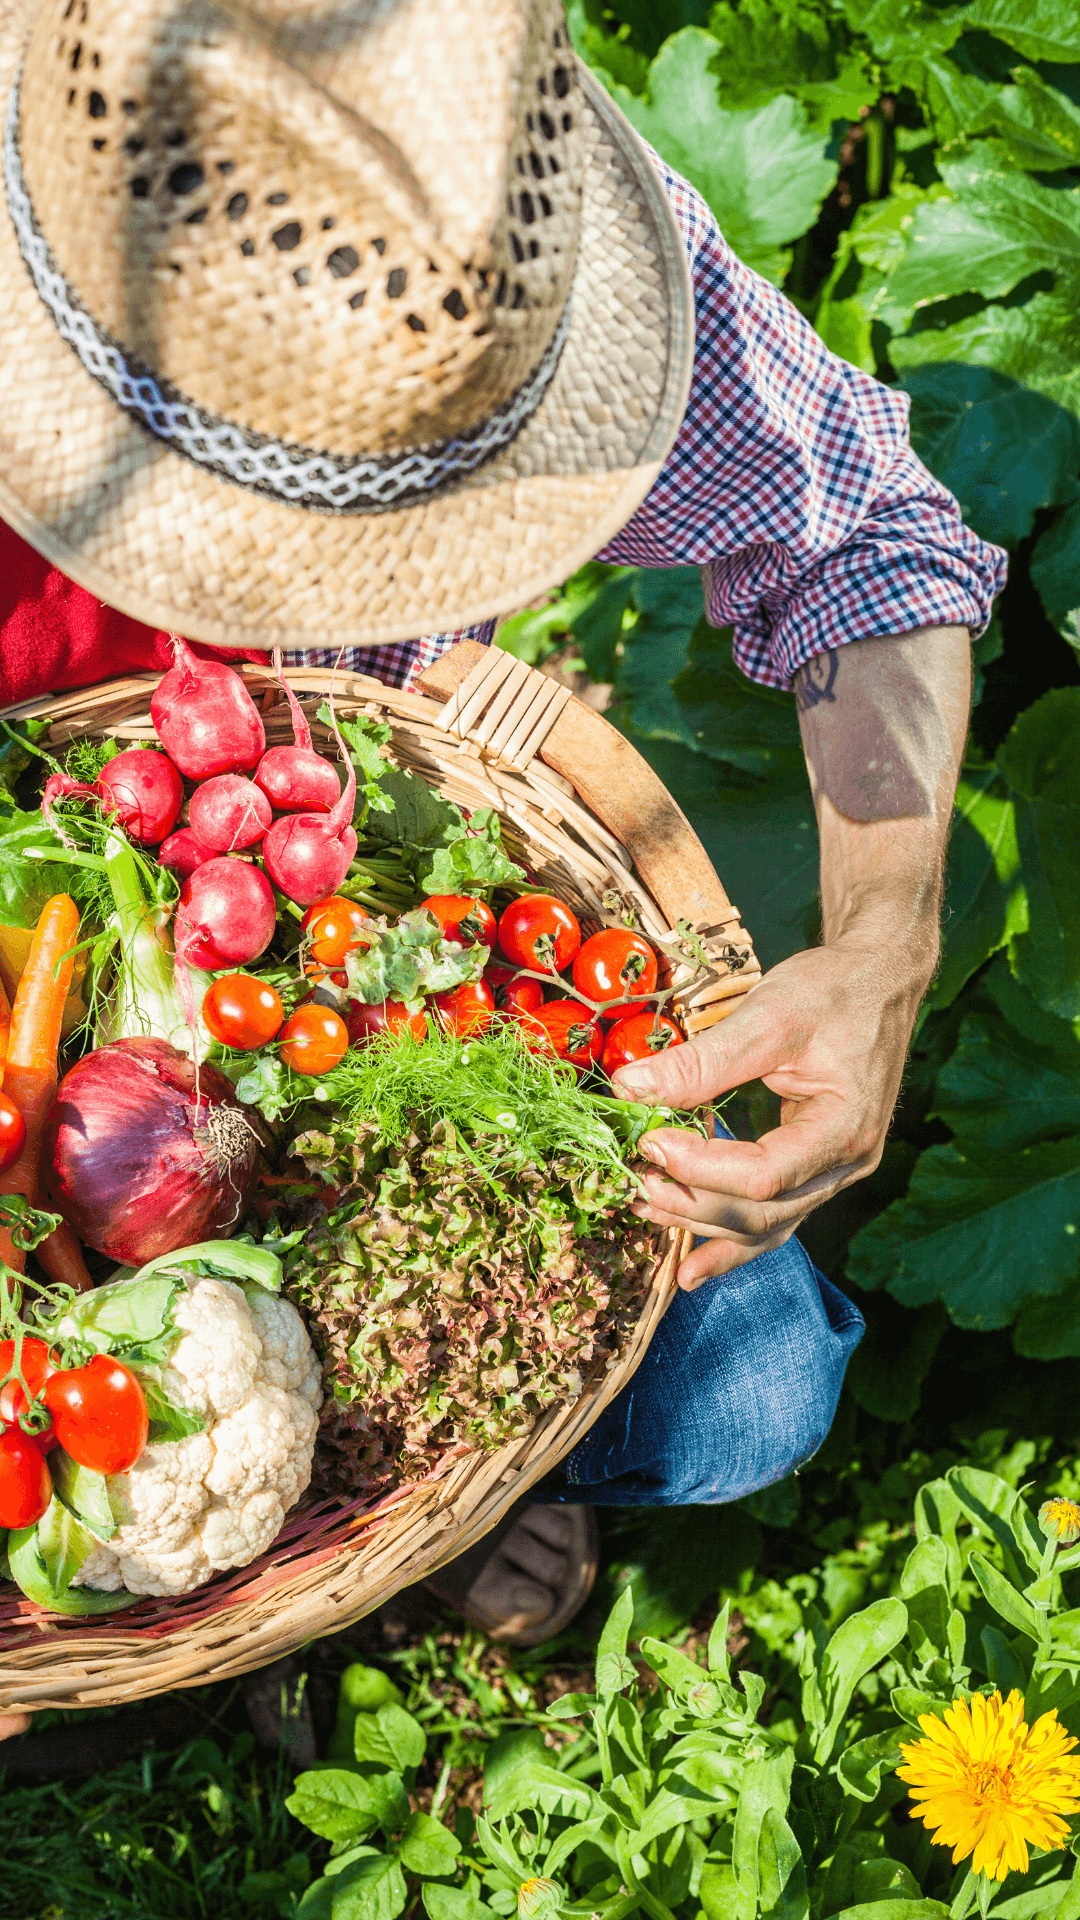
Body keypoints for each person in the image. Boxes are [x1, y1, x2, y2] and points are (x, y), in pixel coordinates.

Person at [0, 0, 1004, 1648]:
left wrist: (886, 943)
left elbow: (867, 534)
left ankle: (395, 1502)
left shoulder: (453, 218)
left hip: (338, 984)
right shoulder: (147, 141)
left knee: (750, 1385)